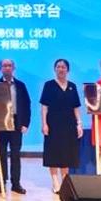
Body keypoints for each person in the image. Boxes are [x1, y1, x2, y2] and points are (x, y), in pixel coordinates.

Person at [39, 58, 83, 193]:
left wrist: (79, 124)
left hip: (69, 124)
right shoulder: (49, 85)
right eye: (58, 67)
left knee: (67, 153)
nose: (61, 69)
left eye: (63, 67)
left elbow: (76, 107)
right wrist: (44, 124)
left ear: (68, 70)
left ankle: (64, 182)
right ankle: (55, 182)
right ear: (55, 69)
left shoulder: (72, 86)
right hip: (53, 124)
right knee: (53, 152)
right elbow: (44, 107)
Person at [0, 59, 31, 195]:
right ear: (0, 68)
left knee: (16, 154)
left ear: (14, 68)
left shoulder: (20, 85)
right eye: (4, 66)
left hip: (16, 122)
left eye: (9, 65)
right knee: (1, 154)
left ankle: (16, 184)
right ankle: (2, 182)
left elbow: (27, 105)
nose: (7, 68)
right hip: (0, 123)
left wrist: (25, 123)